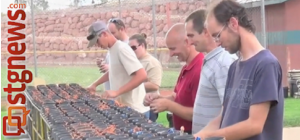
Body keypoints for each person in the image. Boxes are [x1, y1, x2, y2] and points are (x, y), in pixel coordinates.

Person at [194, 0, 284, 140]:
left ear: (233, 24)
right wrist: (197, 136)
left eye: (218, 35)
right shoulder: (234, 67)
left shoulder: (266, 64)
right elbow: (223, 118)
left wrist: (208, 136)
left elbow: (255, 125)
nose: (217, 42)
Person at [144, 23, 205, 134]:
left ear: (186, 42)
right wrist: (158, 98)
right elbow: (176, 97)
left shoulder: (199, 70)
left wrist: (168, 106)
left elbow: (199, 114)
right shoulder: (186, 67)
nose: (171, 54)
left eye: (173, 49)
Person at [185, 9, 237, 134]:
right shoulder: (213, 59)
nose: (190, 42)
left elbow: (231, 112)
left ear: (206, 32)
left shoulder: (223, 62)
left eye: (191, 35)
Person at [86, 21, 150, 118]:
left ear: (104, 34)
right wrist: (95, 84)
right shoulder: (112, 49)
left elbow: (142, 75)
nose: (97, 45)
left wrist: (116, 92)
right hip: (126, 108)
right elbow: (114, 71)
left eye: (97, 41)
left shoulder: (121, 49)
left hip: (136, 111)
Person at [129, 33, 163, 122]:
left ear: (142, 45)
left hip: (148, 106)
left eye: (133, 48)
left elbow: (154, 85)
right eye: (129, 49)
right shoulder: (134, 61)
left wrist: (132, 84)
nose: (131, 51)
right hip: (137, 104)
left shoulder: (152, 62)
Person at [97, 18, 130, 91]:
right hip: (112, 91)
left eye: (113, 33)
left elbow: (134, 71)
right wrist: (103, 64)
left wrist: (111, 68)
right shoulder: (113, 46)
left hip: (122, 93)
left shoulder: (130, 46)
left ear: (122, 29)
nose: (110, 36)